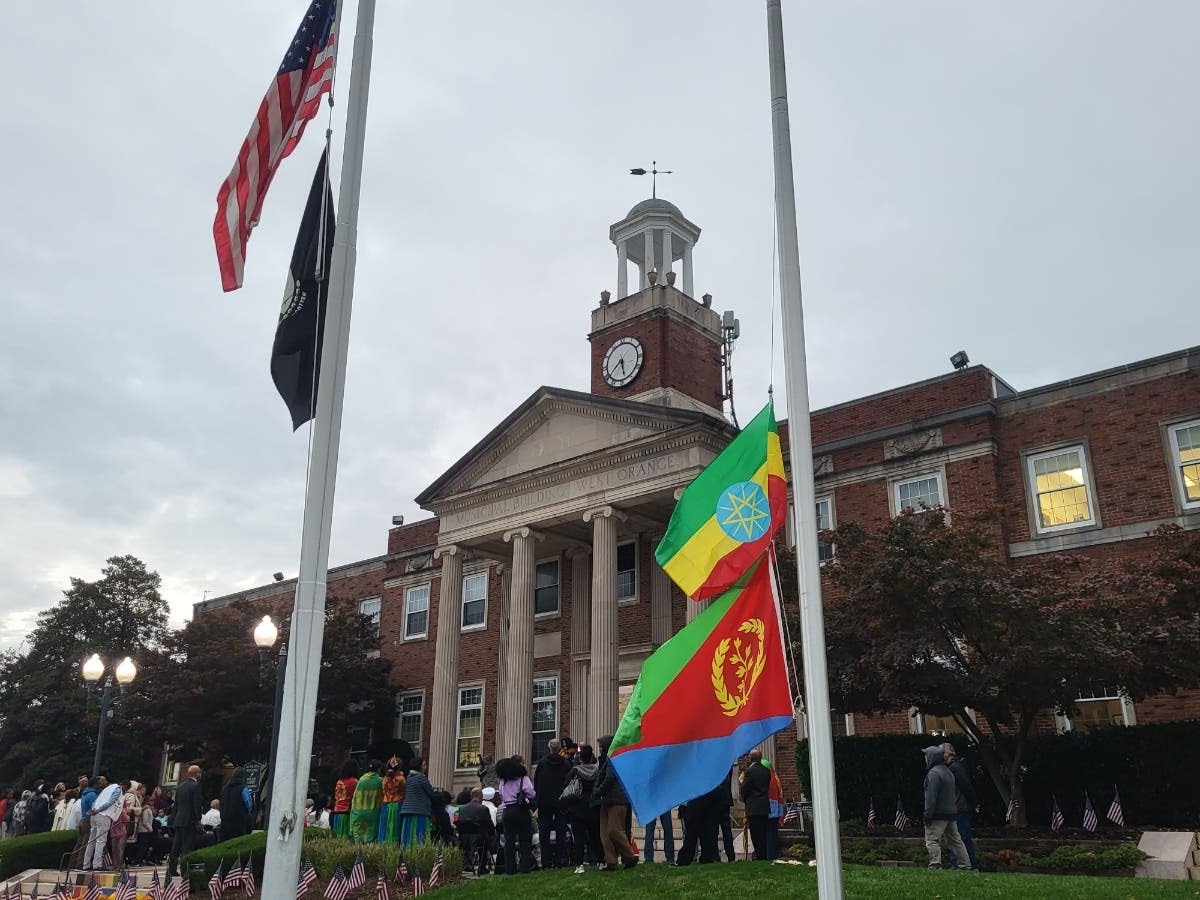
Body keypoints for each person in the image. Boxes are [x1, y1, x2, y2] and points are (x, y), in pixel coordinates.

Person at [922, 745, 972, 870]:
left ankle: (935, 865)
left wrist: (928, 814)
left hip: (937, 814)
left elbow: (931, 797)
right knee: (956, 841)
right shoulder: (948, 772)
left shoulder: (933, 774)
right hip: (951, 813)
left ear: (932, 757)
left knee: (933, 840)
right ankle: (965, 865)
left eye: (926, 756)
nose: (925, 758)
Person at [593, 735, 638, 871]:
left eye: (601, 746)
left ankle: (629, 857)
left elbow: (609, 779)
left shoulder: (615, 758)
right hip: (606, 800)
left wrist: (597, 791)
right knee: (604, 833)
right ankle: (611, 861)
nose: (600, 749)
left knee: (614, 830)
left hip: (617, 799)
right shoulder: (605, 760)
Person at [940, 743, 980, 870]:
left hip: (960, 808)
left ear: (949, 754)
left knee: (961, 838)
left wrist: (974, 803)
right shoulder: (951, 767)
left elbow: (966, 787)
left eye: (942, 753)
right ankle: (958, 864)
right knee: (955, 838)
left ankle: (968, 865)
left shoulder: (956, 767)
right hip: (955, 808)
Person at [532, 739, 571, 869]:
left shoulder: (542, 763)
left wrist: (537, 801)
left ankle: (546, 861)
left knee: (544, 833)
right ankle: (560, 859)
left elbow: (536, 783)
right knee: (561, 831)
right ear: (559, 748)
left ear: (549, 748)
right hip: (561, 801)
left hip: (545, 802)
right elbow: (569, 782)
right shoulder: (565, 764)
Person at [563, 744, 602, 873]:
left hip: (578, 808)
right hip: (593, 806)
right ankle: (601, 861)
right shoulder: (597, 771)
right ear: (591, 757)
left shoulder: (575, 771)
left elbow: (566, 784)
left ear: (580, 758)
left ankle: (579, 865)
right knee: (595, 836)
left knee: (579, 838)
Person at [496, 755, 536, 875]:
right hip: (521, 810)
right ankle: (524, 867)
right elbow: (531, 793)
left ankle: (510, 869)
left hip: (507, 810)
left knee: (509, 841)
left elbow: (501, 794)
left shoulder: (503, 780)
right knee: (525, 839)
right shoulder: (523, 778)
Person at [675, 779, 724, 866]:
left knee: (693, 833)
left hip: (699, 800)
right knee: (704, 833)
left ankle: (687, 859)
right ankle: (706, 857)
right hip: (705, 799)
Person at [167, 765, 204, 879]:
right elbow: (196, 805)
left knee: (176, 846)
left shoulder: (181, 786)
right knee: (187, 846)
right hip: (190, 820)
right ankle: (185, 870)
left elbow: (176, 805)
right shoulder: (195, 786)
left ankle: (172, 869)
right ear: (196, 773)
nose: (201, 775)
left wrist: (173, 820)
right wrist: (198, 819)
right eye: (200, 773)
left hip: (179, 819)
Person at [456, 788, 497, 876]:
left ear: (471, 796)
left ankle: (467, 864)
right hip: (479, 840)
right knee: (488, 838)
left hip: (463, 839)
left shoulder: (462, 809)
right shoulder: (483, 809)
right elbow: (490, 827)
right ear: (481, 796)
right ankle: (482, 867)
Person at [84, 777, 122, 871]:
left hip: (95, 815)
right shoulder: (117, 789)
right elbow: (110, 802)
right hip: (104, 815)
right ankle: (97, 864)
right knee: (101, 841)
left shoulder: (104, 790)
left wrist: (93, 810)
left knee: (91, 840)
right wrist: (97, 810)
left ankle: (86, 864)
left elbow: (96, 802)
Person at [396, 757, 436, 847]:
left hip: (406, 810)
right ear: (419, 767)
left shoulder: (409, 777)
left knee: (407, 836)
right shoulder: (421, 777)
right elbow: (431, 793)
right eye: (424, 765)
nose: (425, 767)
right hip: (420, 811)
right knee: (420, 836)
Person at [740, 750, 771, 860]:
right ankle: (764, 855)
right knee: (763, 833)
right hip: (764, 805)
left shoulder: (749, 772)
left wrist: (744, 798)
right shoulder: (767, 771)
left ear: (750, 758)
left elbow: (745, 788)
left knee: (755, 834)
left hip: (754, 806)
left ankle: (759, 856)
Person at [350, 759, 383, 844]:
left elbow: (355, 798)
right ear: (379, 769)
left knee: (358, 838)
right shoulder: (380, 781)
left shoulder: (361, 780)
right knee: (370, 838)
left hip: (359, 813)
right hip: (373, 813)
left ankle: (358, 855)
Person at [376, 757, 405, 844]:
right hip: (397, 804)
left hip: (385, 805)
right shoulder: (401, 779)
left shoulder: (384, 779)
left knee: (385, 827)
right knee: (395, 828)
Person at [220, 768, 253, 841]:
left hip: (225, 822)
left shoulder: (224, 789)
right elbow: (249, 805)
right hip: (239, 822)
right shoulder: (243, 789)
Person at [72, 778, 98, 869]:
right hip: (87, 821)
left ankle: (73, 863)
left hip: (82, 820)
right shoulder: (92, 795)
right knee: (85, 844)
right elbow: (94, 808)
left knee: (79, 843)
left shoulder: (85, 793)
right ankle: (80, 864)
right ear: (95, 785)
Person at [331, 760, 359, 838]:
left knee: (336, 837)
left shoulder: (339, 782)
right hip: (347, 813)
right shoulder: (355, 782)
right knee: (346, 837)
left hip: (336, 813)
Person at [763, 759, 785, 861]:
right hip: (775, 811)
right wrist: (781, 814)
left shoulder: (765, 780)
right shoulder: (776, 780)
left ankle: (769, 855)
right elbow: (780, 797)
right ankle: (774, 854)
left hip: (766, 811)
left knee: (767, 835)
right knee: (773, 834)